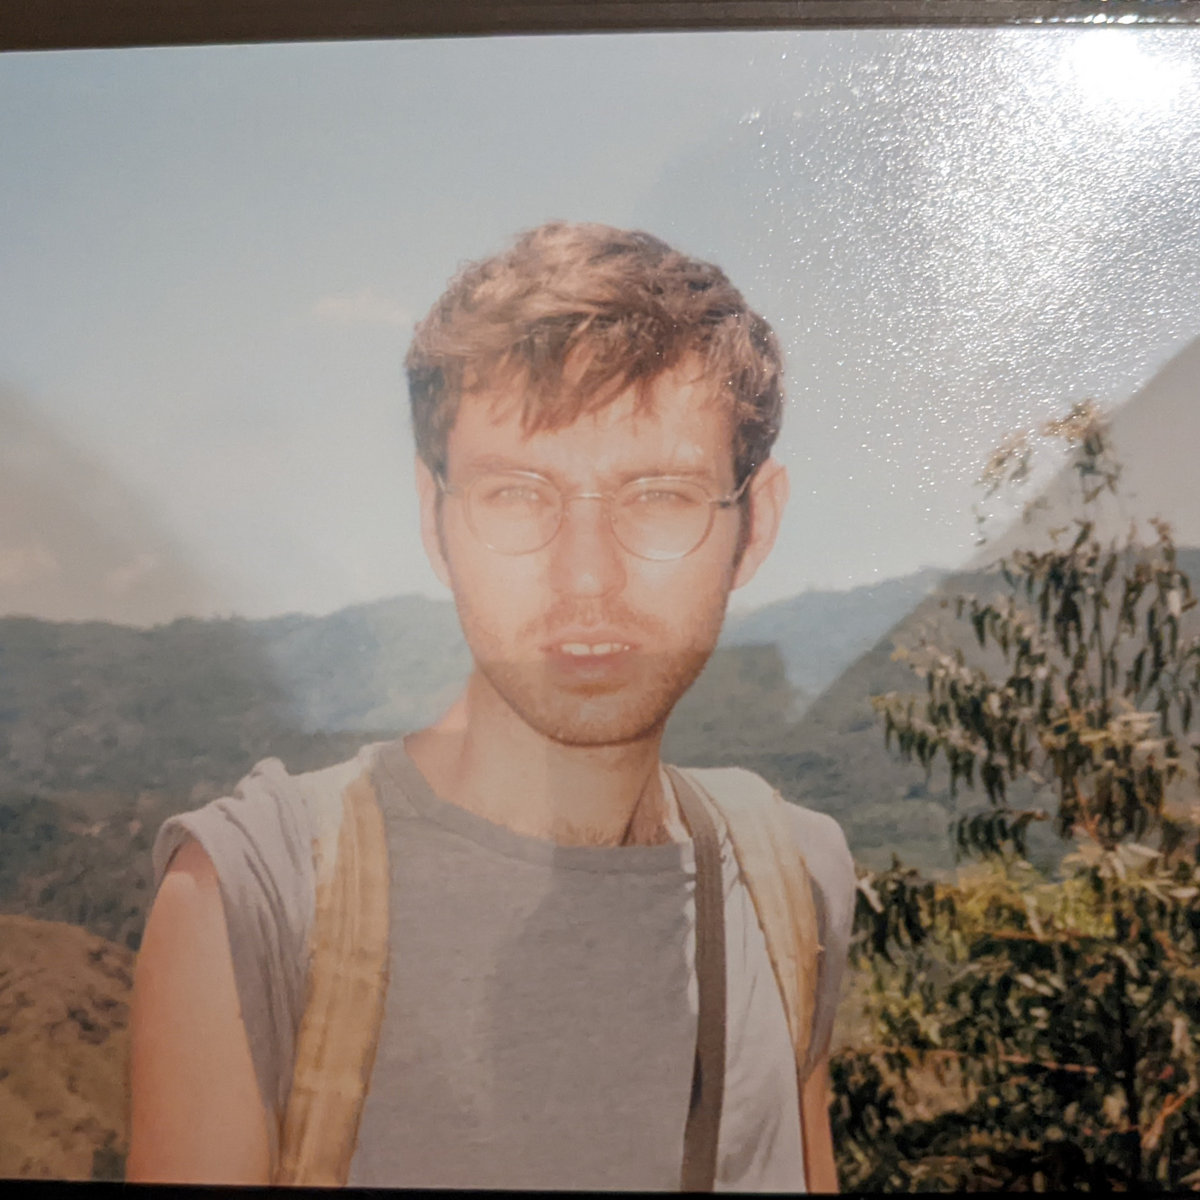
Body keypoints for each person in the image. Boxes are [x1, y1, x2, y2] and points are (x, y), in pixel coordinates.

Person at [128, 222, 857, 1191]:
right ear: (435, 522)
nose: (587, 576)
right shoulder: (251, 901)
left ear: (755, 524)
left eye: (659, 496)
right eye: (517, 494)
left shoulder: (791, 881)